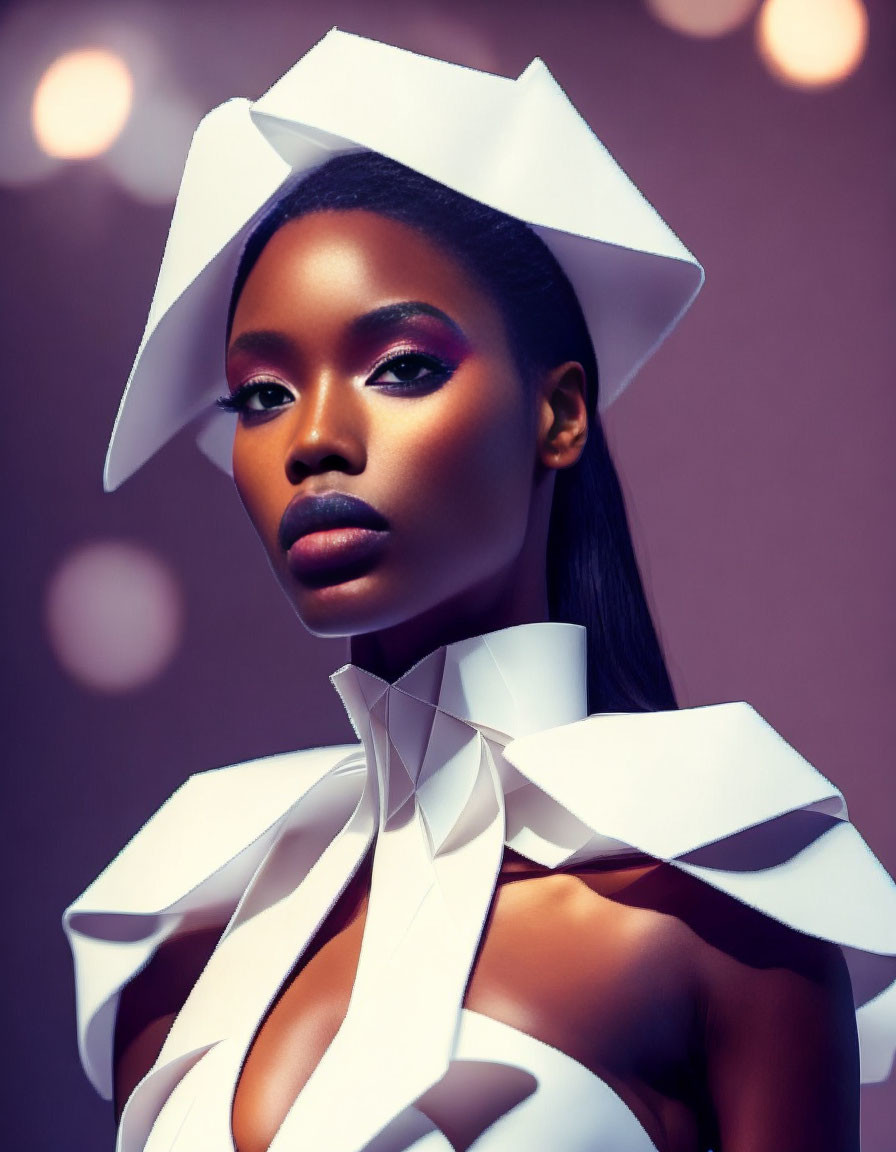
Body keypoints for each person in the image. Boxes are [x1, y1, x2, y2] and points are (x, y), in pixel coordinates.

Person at [64, 29, 896, 1152]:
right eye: (259, 395)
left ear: (558, 414)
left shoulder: (714, 911)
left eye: (401, 367)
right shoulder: (182, 935)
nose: (313, 439)